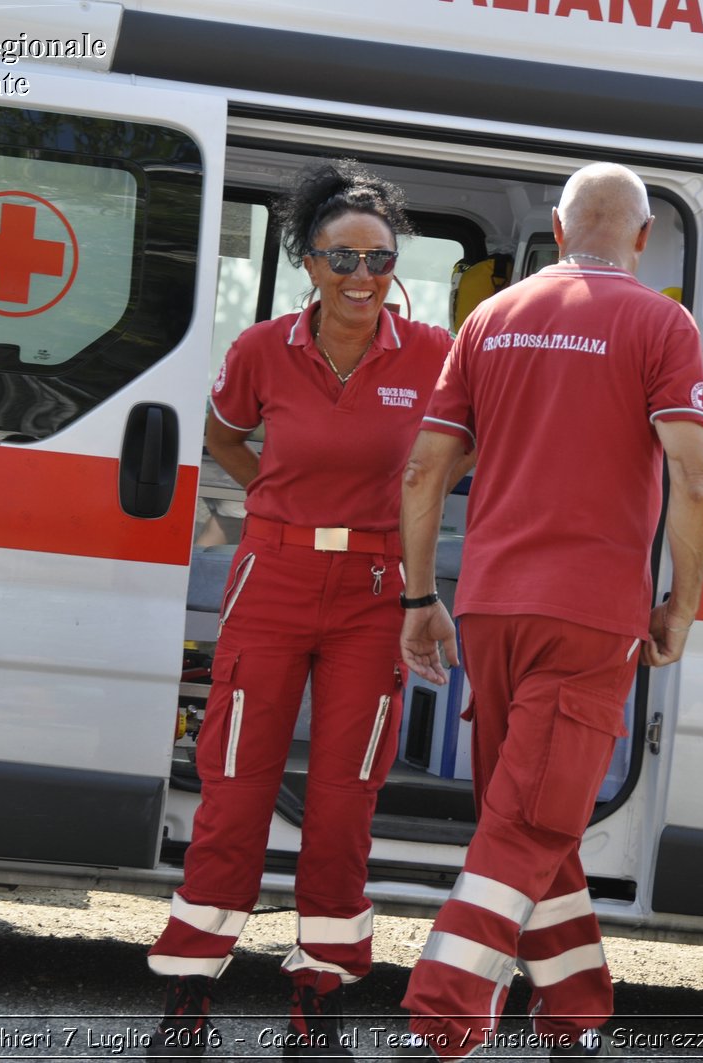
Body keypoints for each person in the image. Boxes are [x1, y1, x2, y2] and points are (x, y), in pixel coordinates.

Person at [392, 163, 703, 1059]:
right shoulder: (661, 323)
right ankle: (442, 1023)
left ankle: (573, 1017)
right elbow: (693, 477)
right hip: (589, 617)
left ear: (561, 230)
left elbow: (424, 471)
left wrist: (422, 597)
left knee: (534, 815)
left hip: (493, 609)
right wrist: (682, 606)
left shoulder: (489, 320)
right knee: (532, 822)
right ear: (643, 239)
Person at [145, 159, 454, 1059]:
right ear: (307, 263)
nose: (363, 279)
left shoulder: (434, 354)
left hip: (375, 592)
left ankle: (318, 996)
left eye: (380, 259)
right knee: (235, 785)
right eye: (342, 259)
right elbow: (217, 435)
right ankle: (190, 991)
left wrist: (411, 515)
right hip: (272, 577)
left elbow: (456, 454)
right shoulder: (259, 350)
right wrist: (268, 492)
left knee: (343, 799)